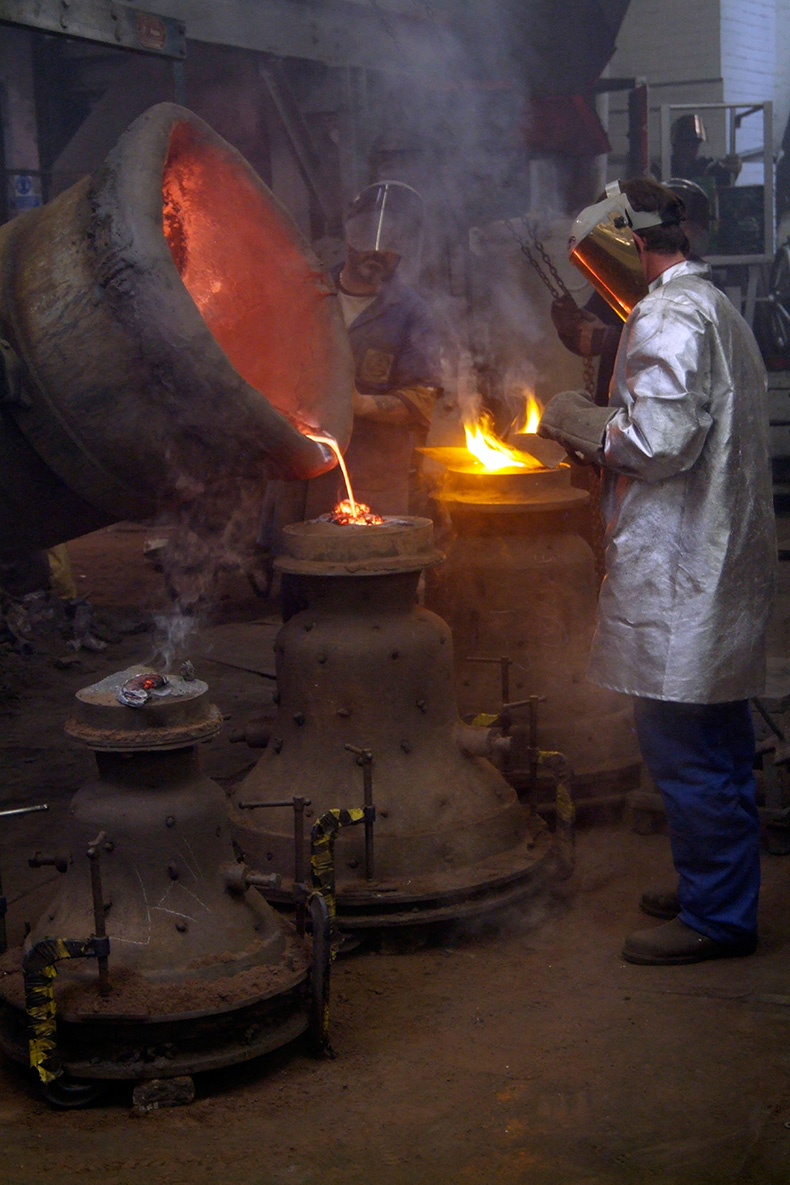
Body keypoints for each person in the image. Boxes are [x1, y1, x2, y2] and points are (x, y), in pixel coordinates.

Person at [537, 177, 776, 966]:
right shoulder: (716, 307)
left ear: (631, 243)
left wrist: (581, 423)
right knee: (720, 743)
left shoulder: (669, 313)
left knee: (683, 745)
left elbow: (660, 442)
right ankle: (719, 885)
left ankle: (716, 916)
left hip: (684, 573)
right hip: (718, 566)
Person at [308, 180, 443, 517]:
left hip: (373, 478)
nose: (378, 249)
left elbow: (421, 402)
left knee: (369, 564)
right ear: (350, 237)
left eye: (393, 241)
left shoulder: (412, 314)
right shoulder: (309, 294)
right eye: (367, 235)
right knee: (295, 558)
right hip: (303, 473)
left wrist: (360, 404)